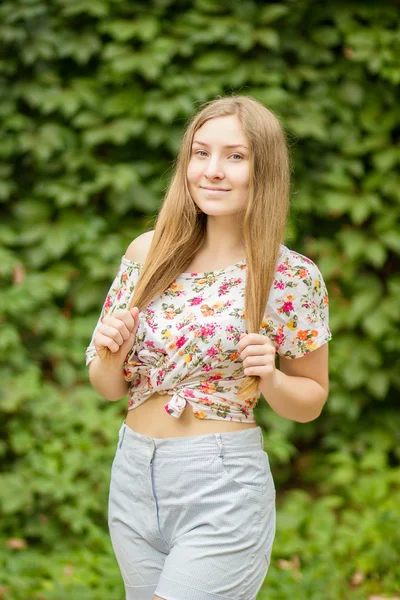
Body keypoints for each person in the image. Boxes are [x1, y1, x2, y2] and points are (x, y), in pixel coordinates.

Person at [85, 95, 332, 600]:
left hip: (220, 484)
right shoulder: (146, 253)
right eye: (201, 153)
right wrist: (110, 352)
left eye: (235, 157)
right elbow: (107, 386)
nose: (213, 171)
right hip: (134, 475)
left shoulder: (291, 276)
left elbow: (311, 400)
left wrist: (274, 377)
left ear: (264, 170)